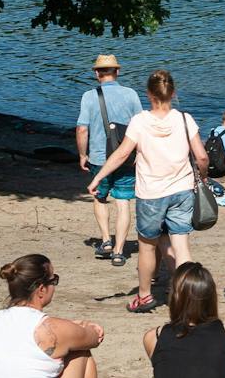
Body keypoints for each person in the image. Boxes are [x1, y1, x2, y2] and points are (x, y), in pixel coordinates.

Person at [87, 69, 209, 313]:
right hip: (182, 190)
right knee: (181, 245)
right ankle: (188, 295)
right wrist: (202, 177)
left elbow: (121, 154)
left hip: (151, 193)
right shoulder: (185, 119)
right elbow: (202, 156)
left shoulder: (140, 121)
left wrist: (98, 177)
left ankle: (144, 296)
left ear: (148, 95)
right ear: (173, 94)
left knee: (147, 246)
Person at [76, 54, 143, 266]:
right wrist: (139, 154)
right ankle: (119, 250)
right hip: (126, 157)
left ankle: (105, 240)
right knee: (123, 202)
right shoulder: (131, 94)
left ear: (97, 73)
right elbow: (141, 126)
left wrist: (82, 154)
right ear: (118, 72)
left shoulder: (88, 96)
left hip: (99, 157)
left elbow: (82, 129)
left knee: (100, 197)